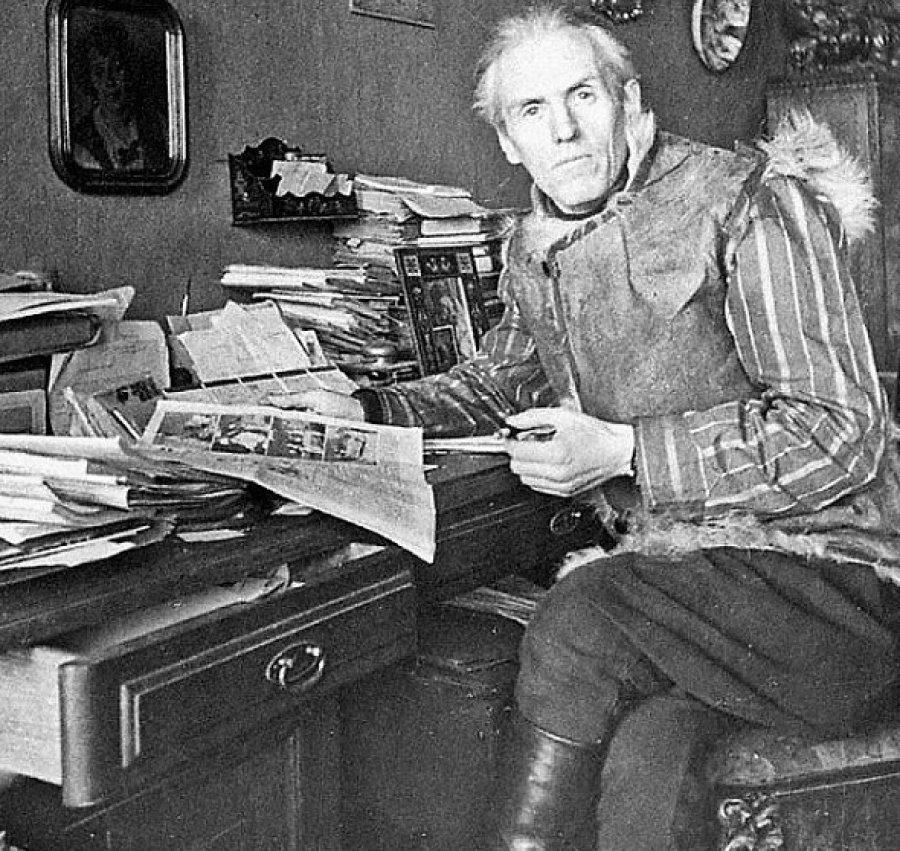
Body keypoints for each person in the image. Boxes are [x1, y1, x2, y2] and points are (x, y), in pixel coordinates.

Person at [271, 6, 900, 850]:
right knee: (648, 759)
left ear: (630, 103)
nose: (563, 130)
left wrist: (627, 452)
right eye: (532, 110)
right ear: (508, 141)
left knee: (579, 618)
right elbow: (499, 381)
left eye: (584, 97)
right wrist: (369, 409)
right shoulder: (535, 249)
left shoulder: (748, 199)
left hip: (842, 593)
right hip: (698, 603)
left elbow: (839, 430)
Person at [71, 18, 168, 173]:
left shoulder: (157, 124)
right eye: (99, 72)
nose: (109, 81)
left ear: (129, 69)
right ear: (89, 79)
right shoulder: (81, 142)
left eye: (117, 68)